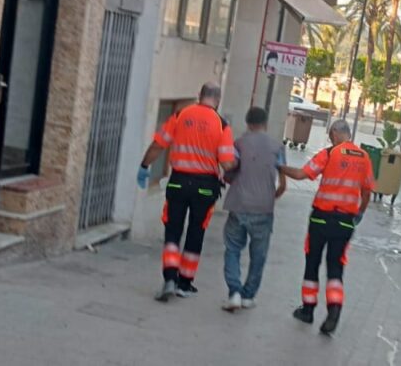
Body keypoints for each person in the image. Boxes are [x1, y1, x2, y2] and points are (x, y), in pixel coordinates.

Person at [137, 82, 237, 302]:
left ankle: (169, 279)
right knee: (195, 232)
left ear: (199, 95)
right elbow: (227, 163)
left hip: (179, 182)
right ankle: (184, 283)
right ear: (218, 100)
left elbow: (158, 144)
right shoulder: (222, 125)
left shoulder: (180, 115)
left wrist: (144, 166)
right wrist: (236, 169)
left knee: (173, 232)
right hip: (205, 187)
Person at [281, 119, 374, 336]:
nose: (331, 139)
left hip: (321, 219)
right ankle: (334, 309)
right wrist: (359, 213)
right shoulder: (364, 157)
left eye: (331, 135)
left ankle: (308, 310)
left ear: (334, 132)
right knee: (335, 267)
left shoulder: (330, 153)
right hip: (345, 222)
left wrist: (279, 167)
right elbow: (367, 190)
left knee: (312, 262)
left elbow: (301, 174)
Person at [221, 107, 286, 312]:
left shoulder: (238, 144)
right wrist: (271, 196)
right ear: (265, 123)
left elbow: (229, 168)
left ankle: (234, 292)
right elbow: (283, 183)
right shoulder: (277, 147)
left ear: (247, 123)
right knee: (259, 255)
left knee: (232, 249)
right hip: (263, 208)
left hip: (239, 204)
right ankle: (248, 296)